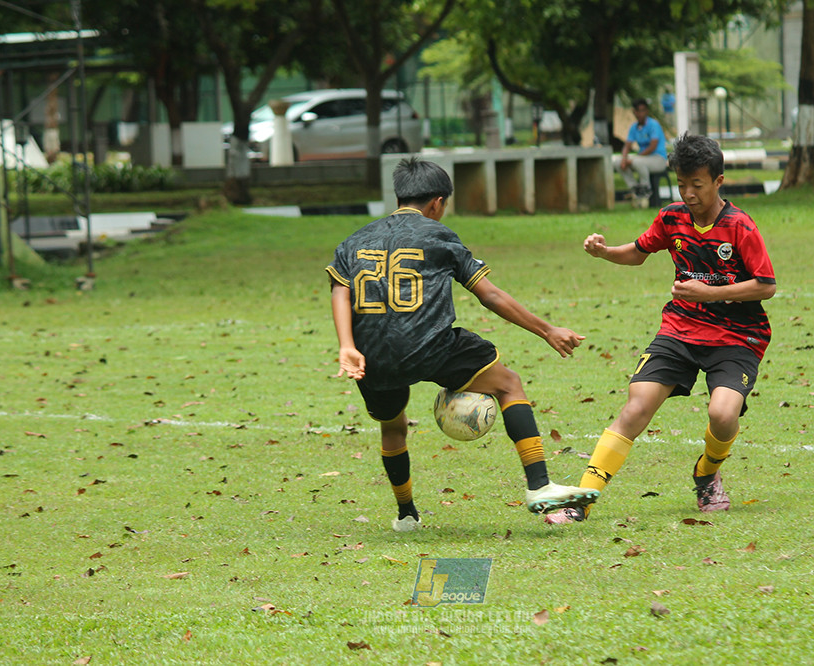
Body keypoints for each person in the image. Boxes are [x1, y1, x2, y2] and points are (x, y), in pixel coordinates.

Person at [327, 157, 599, 532]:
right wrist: (546, 329)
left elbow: (340, 290)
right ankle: (539, 485)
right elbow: (490, 296)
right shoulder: (439, 236)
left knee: (392, 426)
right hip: (430, 345)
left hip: (371, 356)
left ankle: (407, 515)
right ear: (437, 202)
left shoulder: (355, 240)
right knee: (508, 384)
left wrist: (346, 345)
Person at [546, 133, 776, 524]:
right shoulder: (672, 217)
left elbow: (766, 285)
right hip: (681, 329)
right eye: (681, 184)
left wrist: (708, 293)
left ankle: (706, 473)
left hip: (737, 336)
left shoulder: (740, 226)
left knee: (722, 414)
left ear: (718, 181)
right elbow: (638, 252)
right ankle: (581, 500)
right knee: (636, 406)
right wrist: (605, 252)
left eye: (697, 185)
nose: (688, 193)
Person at [616, 98, 668, 204]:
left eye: (643, 110)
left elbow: (652, 146)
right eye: (638, 111)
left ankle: (645, 191)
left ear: (647, 111)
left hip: (658, 159)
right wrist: (624, 158)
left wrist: (636, 157)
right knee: (617, 162)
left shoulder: (653, 125)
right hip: (643, 158)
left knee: (637, 162)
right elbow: (627, 146)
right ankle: (635, 189)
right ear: (634, 112)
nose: (641, 113)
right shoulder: (634, 127)